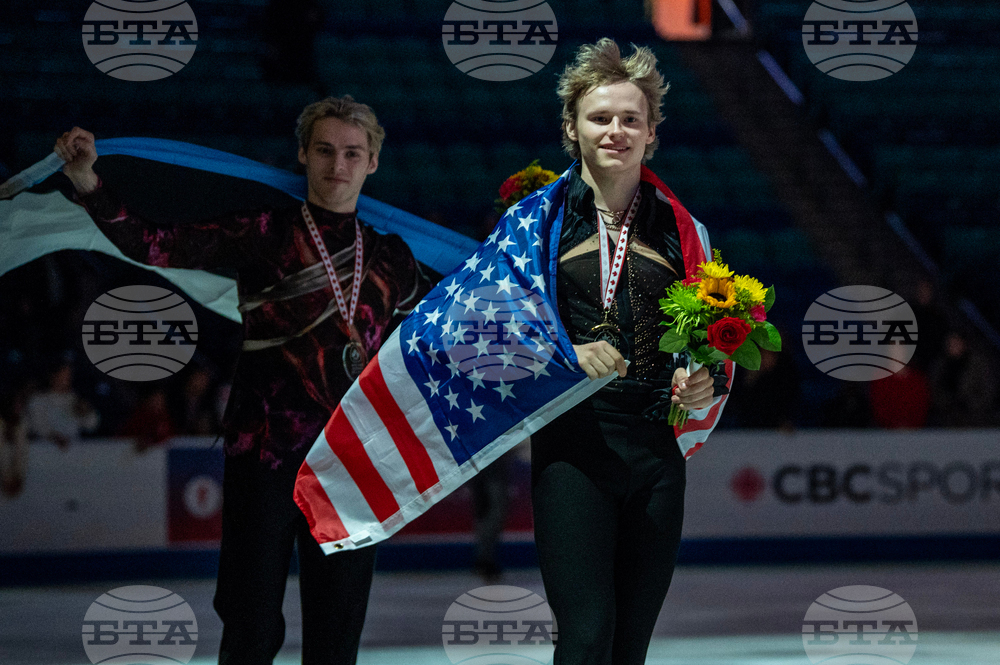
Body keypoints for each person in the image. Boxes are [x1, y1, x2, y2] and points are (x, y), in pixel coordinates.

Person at [54, 95, 430, 665]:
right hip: (265, 454)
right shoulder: (263, 230)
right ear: (302, 154)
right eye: (325, 150)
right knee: (250, 621)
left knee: (337, 632)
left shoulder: (392, 257)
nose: (338, 165)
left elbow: (451, 328)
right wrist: (88, 181)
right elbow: (157, 245)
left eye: (353, 153)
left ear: (372, 162)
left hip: (353, 463)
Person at [528, 39, 730, 664]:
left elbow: (718, 344)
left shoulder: (684, 231)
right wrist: (568, 350)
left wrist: (706, 382)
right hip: (573, 448)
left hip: (656, 451)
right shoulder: (538, 221)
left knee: (630, 648)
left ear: (651, 133)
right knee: (586, 633)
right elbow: (498, 331)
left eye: (630, 119)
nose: (615, 130)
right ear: (572, 128)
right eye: (600, 117)